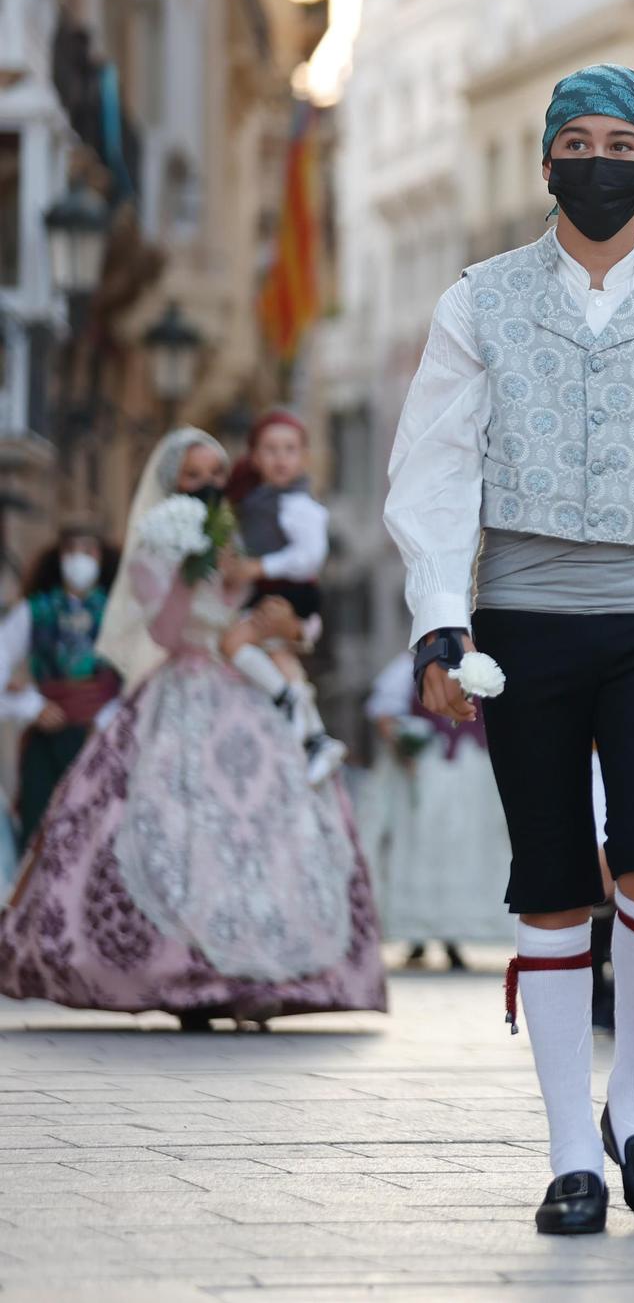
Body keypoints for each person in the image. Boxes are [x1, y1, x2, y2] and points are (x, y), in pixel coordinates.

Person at [382, 63, 634, 1237]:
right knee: (551, 878)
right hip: (520, 623)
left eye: (621, 142)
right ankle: (569, 1149)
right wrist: (439, 619)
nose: (597, 159)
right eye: (577, 141)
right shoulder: (478, 301)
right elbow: (435, 468)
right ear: (546, 162)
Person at [0, 428, 386, 1029]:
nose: (207, 486)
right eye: (193, 476)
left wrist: (281, 624)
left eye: (216, 474)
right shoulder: (159, 544)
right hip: (181, 689)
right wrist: (189, 567)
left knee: (265, 833)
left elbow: (270, 606)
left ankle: (260, 977)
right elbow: (164, 633)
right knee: (175, 833)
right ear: (171, 484)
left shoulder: (236, 531)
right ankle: (186, 972)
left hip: (244, 685)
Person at [362, 652, 515, 968]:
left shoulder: (482, 665)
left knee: (466, 852)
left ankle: (454, 935)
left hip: (471, 774)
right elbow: (385, 714)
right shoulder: (409, 668)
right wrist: (403, 746)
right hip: (427, 774)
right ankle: (416, 933)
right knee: (420, 848)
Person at [222, 409, 347, 784]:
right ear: (255, 457)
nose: (280, 458)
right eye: (270, 450)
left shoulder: (299, 505)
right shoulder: (258, 501)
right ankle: (316, 739)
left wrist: (260, 568)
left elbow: (310, 556)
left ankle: (285, 700)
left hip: (292, 593)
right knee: (281, 659)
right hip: (275, 592)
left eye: (289, 450)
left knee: (233, 642)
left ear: (304, 457)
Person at [0, 528, 121, 843]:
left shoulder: (117, 611)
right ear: (59, 557)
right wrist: (30, 706)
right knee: (42, 833)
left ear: (101, 557)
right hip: (49, 741)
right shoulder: (35, 611)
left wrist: (110, 714)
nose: (79, 559)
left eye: (88, 550)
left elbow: (137, 673)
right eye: (71, 550)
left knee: (100, 835)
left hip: (103, 740)